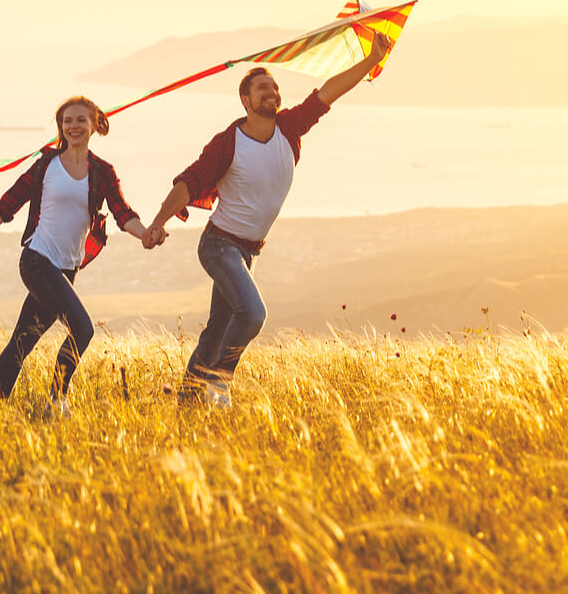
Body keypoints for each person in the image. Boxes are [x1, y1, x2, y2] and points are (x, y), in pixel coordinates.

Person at [143, 33, 392, 408]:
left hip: (247, 252)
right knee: (253, 314)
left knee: (215, 333)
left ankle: (187, 406)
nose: (272, 92)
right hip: (218, 246)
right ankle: (219, 381)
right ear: (245, 100)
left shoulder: (290, 128)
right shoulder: (229, 142)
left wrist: (371, 59)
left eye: (275, 87)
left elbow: (330, 91)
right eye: (262, 88)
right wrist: (158, 222)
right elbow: (189, 181)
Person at [0, 95, 151, 417]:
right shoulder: (46, 164)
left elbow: (122, 212)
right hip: (36, 260)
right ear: (60, 127)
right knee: (83, 330)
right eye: (67, 120)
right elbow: (8, 204)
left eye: (80, 120)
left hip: (65, 270)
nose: (73, 126)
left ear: (94, 125)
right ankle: (56, 401)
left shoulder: (102, 172)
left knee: (23, 340)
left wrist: (144, 233)